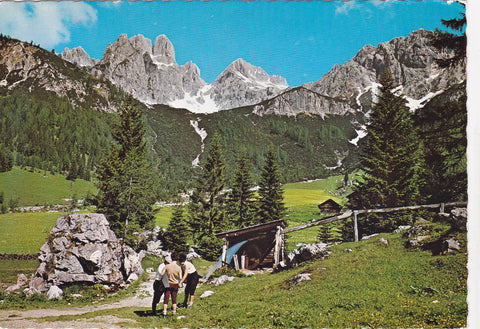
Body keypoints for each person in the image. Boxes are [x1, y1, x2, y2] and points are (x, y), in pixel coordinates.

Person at [160, 252, 183, 316]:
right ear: (177, 259)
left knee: (166, 298)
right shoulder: (179, 268)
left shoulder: (167, 266)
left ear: (171, 258)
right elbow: (180, 278)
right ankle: (174, 312)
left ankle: (164, 312)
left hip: (168, 283)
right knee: (174, 299)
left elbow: (161, 274)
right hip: (175, 284)